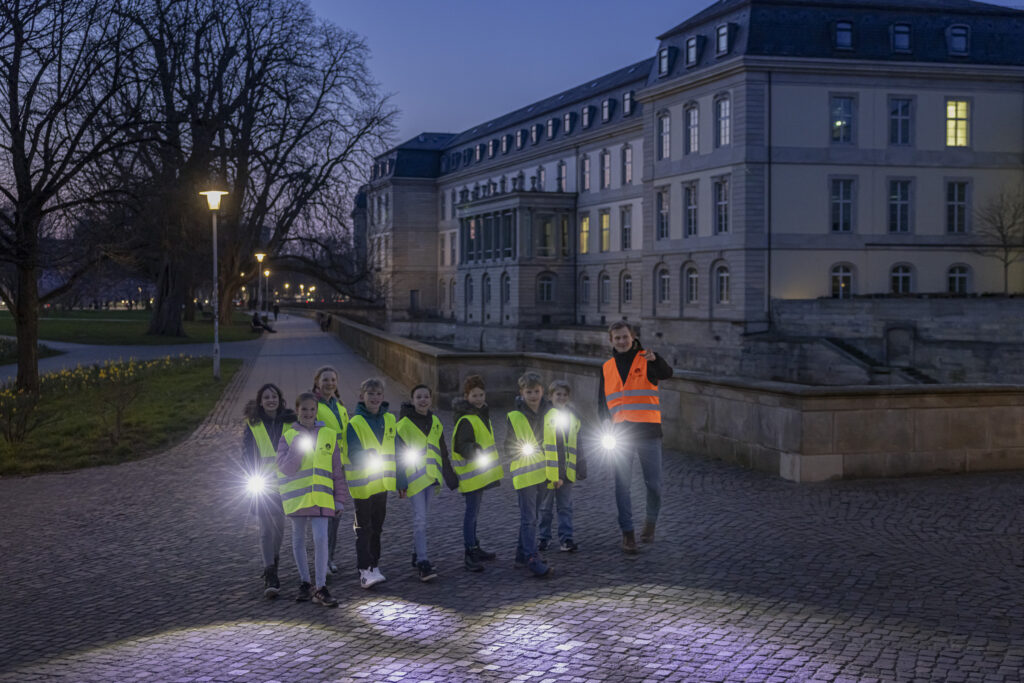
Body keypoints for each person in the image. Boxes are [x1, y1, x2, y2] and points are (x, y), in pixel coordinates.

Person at [598, 321, 673, 554]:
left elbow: (667, 373)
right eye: (617, 338)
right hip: (620, 435)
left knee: (655, 485)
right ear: (611, 340)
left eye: (625, 337)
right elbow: (602, 402)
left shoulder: (647, 358)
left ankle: (650, 523)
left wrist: (657, 359)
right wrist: (603, 423)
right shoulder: (607, 367)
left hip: (649, 433)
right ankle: (627, 533)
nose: (621, 341)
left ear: (633, 337)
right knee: (622, 486)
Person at [276, 392, 345, 607]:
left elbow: (337, 471)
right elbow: (286, 469)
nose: (308, 413)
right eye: (304, 409)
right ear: (297, 410)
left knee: (321, 539)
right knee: (298, 540)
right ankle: (305, 582)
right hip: (298, 499)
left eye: (312, 409)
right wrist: (297, 446)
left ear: (317, 411)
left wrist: (340, 498)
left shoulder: (328, 435)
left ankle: (321, 586)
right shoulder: (288, 436)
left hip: (323, 498)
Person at [241, 383, 296, 598]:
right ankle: (269, 571)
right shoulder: (253, 425)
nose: (270, 400)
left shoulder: (291, 422)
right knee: (265, 529)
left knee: (280, 528)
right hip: (262, 483)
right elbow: (246, 452)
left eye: (274, 396)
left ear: (280, 399)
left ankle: (274, 559)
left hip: (284, 484)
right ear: (260, 401)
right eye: (266, 397)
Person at [504, 372, 561, 577]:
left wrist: (557, 474)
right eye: (529, 392)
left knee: (532, 516)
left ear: (542, 391)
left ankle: (521, 555)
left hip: (545, 473)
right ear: (522, 393)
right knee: (529, 518)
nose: (533, 395)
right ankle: (531, 556)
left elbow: (557, 444)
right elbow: (508, 446)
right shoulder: (514, 416)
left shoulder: (552, 413)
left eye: (536, 391)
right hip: (526, 474)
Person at [396, 385, 454, 582]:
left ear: (431, 399)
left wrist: (450, 476)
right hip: (414, 479)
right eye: (418, 397)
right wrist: (401, 482)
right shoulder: (403, 424)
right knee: (420, 519)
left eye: (426, 397)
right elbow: (398, 455)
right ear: (412, 400)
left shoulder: (435, 421)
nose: (423, 400)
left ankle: (416, 553)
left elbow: (442, 450)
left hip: (431, 477)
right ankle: (423, 561)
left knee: (423, 518)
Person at [345, 377, 397, 589]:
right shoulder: (355, 423)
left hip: (382, 484)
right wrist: (365, 454)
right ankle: (364, 569)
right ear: (361, 396)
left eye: (378, 394)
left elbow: (396, 451)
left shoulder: (390, 420)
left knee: (377, 527)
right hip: (362, 485)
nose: (374, 398)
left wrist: (400, 480)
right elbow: (353, 451)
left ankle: (374, 564)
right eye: (370, 394)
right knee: (363, 528)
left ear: (383, 397)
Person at [451, 374, 503, 572]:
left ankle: (474, 546)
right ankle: (469, 552)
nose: (479, 398)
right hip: (471, 476)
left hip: (478, 475)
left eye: (481, 394)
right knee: (471, 515)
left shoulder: (481, 413)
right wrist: (475, 450)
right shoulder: (467, 418)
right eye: (474, 395)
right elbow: (460, 446)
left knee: (474, 513)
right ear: (467, 396)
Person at [538, 379, 585, 553]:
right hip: (549, 471)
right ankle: (544, 538)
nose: (562, 397)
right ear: (550, 396)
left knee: (565, 507)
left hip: (567, 471)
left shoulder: (573, 418)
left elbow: (577, 443)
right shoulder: (545, 416)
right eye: (558, 394)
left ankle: (566, 538)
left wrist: (581, 464)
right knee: (545, 508)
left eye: (565, 395)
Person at [313, 365, 348, 575]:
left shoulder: (340, 406)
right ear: (317, 382)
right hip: (321, 467)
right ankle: (322, 560)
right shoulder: (314, 405)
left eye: (333, 380)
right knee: (322, 518)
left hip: (340, 469)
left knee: (336, 516)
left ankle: (330, 558)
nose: (330, 384)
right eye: (325, 380)